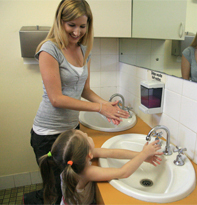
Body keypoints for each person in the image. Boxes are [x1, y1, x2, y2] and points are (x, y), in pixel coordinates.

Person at [25, 0, 129, 204]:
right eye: (71, 25)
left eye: (83, 26)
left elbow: (84, 90)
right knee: (56, 190)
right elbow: (56, 99)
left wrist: (107, 107)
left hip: (71, 130)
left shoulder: (84, 50)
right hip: (48, 134)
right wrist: (100, 108)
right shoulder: (49, 50)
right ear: (60, 21)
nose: (77, 31)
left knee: (71, 188)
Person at [39, 129, 163, 205]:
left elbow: (111, 152)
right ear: (89, 154)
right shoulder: (87, 172)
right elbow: (123, 172)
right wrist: (143, 154)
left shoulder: (76, 160)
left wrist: (142, 156)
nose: (87, 134)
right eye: (86, 136)